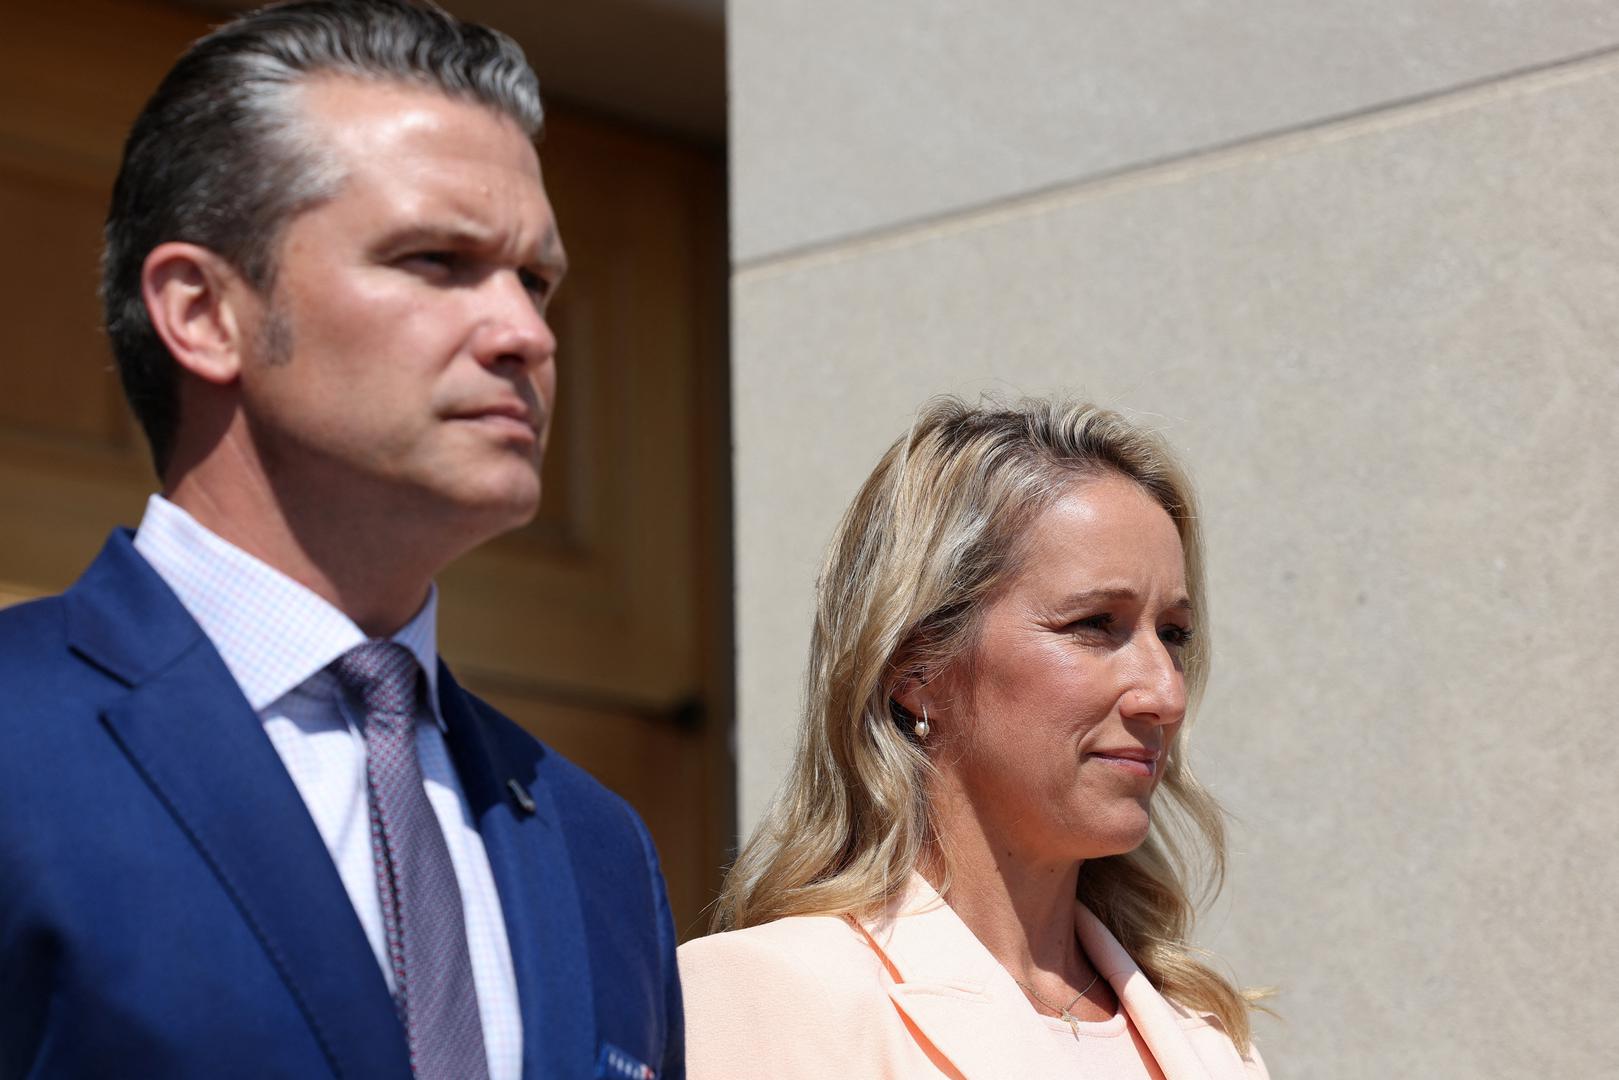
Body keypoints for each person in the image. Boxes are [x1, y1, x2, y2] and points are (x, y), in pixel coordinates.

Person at [0, 2, 682, 1078]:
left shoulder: (597, 845)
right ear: (202, 312)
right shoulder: (20, 738)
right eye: (435, 259)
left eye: (535, 280)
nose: (526, 334)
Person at [679, 398, 1268, 1079]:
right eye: (1094, 624)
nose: (1165, 694)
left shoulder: (1209, 1042)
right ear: (914, 668)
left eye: (1173, 635)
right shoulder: (770, 995)